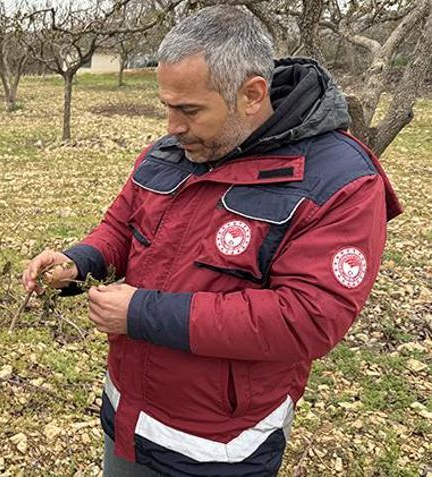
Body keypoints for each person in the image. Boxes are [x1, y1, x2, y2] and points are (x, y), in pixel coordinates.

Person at [23, 6, 401, 476]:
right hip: (129, 418)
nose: (171, 126)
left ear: (251, 94)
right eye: (166, 106)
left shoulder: (338, 180)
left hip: (222, 446)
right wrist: (79, 264)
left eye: (188, 110)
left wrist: (140, 312)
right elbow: (121, 229)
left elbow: (309, 317)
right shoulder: (172, 151)